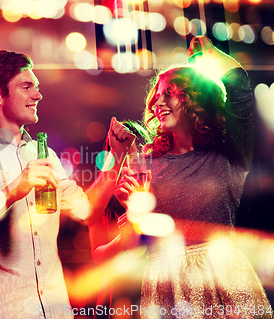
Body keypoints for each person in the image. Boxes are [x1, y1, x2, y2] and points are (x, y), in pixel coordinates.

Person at [0, 50, 135, 318]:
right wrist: (12, 192)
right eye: (26, 86)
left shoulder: (45, 155)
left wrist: (117, 155)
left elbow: (87, 211)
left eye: (37, 87)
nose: (38, 95)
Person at [115, 36, 272, 317]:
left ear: (195, 100)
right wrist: (132, 212)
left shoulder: (230, 154)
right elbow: (136, 243)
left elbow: (240, 91)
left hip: (224, 278)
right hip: (164, 281)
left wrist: (212, 53)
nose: (157, 104)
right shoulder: (146, 164)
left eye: (169, 93)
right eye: (156, 96)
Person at [87, 121, 149, 318]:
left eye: (136, 160)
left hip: (156, 286)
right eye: (123, 160)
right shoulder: (101, 200)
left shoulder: (158, 192)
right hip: (117, 294)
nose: (129, 169)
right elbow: (99, 256)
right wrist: (128, 226)